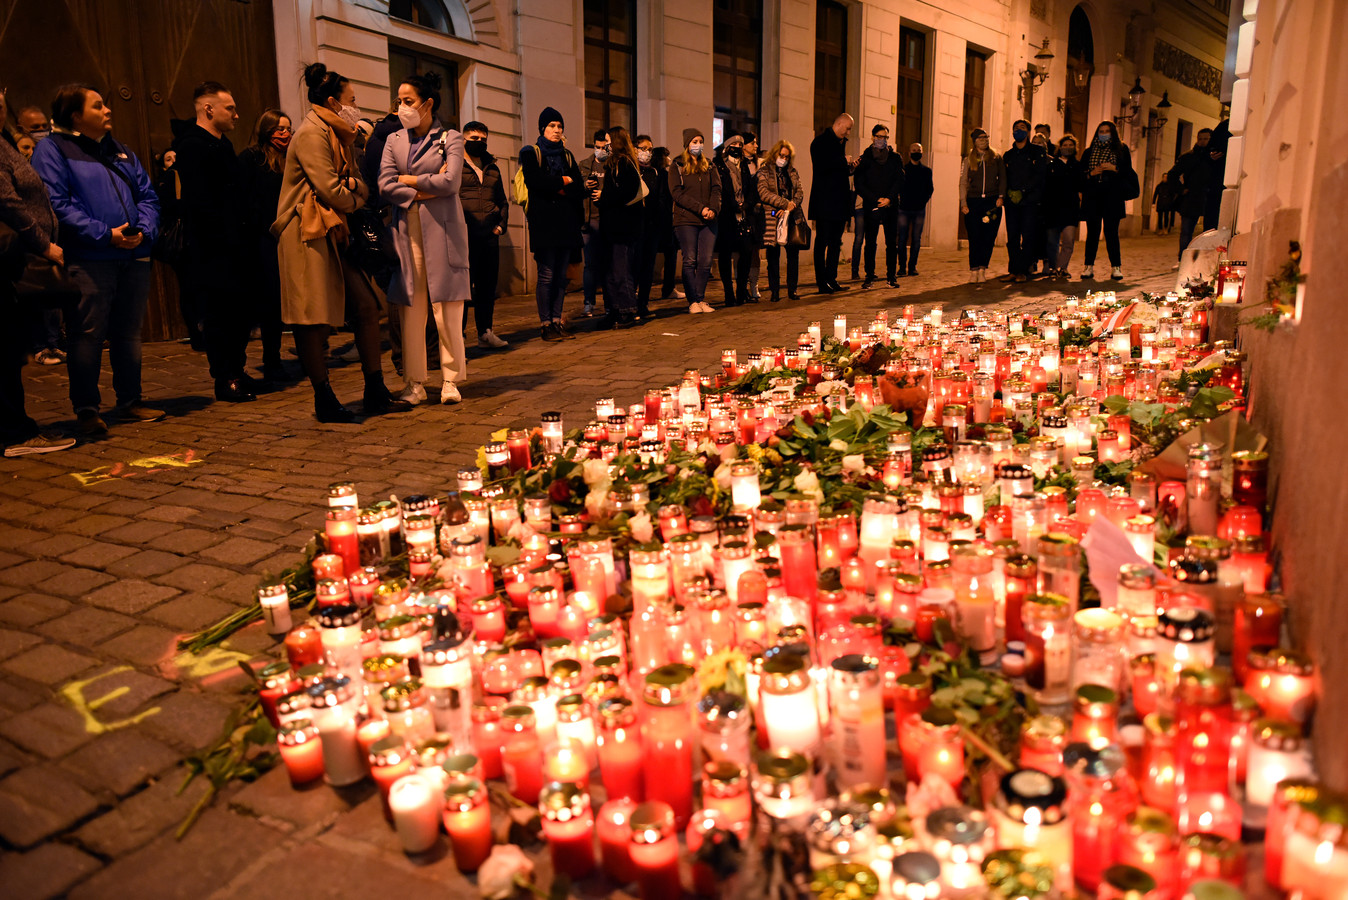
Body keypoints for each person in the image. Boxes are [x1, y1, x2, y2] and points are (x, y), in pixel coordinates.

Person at [274, 63, 408, 422]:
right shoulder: (312, 134)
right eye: (351, 100)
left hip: (335, 229)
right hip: (308, 232)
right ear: (333, 102)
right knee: (313, 319)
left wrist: (354, 190)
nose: (355, 107)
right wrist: (355, 191)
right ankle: (324, 398)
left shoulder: (338, 134)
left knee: (365, 307)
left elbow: (357, 183)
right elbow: (335, 189)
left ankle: (375, 389)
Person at [31, 84, 163, 436]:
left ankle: (130, 400)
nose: (108, 111)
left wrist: (144, 231)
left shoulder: (119, 150)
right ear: (76, 116)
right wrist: (106, 234)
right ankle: (87, 409)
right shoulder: (52, 149)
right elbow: (56, 204)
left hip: (134, 255)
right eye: (99, 106)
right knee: (87, 335)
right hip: (90, 257)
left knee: (129, 332)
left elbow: (148, 195)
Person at [379, 71, 471, 406]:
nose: (402, 107)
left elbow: (451, 183)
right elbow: (386, 185)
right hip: (407, 231)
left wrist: (411, 180)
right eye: (399, 101)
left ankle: (450, 379)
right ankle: (414, 382)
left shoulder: (451, 138)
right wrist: (422, 188)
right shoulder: (394, 140)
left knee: (447, 307)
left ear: (427, 103)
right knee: (411, 307)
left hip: (444, 232)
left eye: (408, 101)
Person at [0, 92, 76, 456]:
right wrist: (43, 243)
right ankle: (14, 433)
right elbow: (7, 200)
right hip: (7, 261)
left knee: (11, 348)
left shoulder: (5, 143)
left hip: (12, 260)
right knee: (6, 348)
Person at [173, 81, 256, 401]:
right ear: (209, 109)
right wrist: (225, 237)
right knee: (220, 315)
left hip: (235, 245)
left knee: (239, 314)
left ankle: (237, 368)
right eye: (230, 108)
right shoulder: (192, 145)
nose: (236, 114)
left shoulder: (221, 144)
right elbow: (201, 202)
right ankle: (225, 377)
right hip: (213, 248)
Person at [520, 107, 583, 342]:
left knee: (560, 277)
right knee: (546, 275)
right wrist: (563, 181)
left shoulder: (567, 156)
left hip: (566, 224)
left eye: (559, 126)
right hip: (544, 225)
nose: (556, 130)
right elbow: (535, 181)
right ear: (542, 129)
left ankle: (557, 321)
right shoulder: (530, 153)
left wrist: (559, 184)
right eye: (552, 126)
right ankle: (545, 324)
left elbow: (578, 187)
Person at [238, 109, 292, 381]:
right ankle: (244, 363)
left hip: (287, 236)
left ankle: (274, 357)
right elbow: (242, 198)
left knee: (280, 303)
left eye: (288, 128)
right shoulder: (251, 158)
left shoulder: (291, 159)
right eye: (279, 129)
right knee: (263, 301)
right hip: (260, 240)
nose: (285, 134)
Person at [459, 120, 509, 349]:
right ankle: (458, 336)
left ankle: (485, 332)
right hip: (464, 235)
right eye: (474, 138)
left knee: (487, 286)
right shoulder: (454, 164)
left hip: (489, 235)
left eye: (482, 139)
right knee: (462, 288)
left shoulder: (493, 166)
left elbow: (502, 200)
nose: (479, 142)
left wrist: (500, 226)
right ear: (464, 139)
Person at [595, 126, 643, 329]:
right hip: (612, 227)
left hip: (622, 227)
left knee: (621, 270)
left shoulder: (624, 163)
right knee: (611, 271)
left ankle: (627, 311)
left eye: (608, 141)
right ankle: (614, 310)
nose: (605, 145)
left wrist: (603, 197)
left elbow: (625, 192)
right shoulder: (614, 163)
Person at [669, 127, 720, 314]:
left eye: (700, 141)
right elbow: (676, 193)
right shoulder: (677, 165)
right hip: (686, 219)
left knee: (705, 260)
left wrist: (713, 209)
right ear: (687, 144)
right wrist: (701, 208)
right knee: (689, 259)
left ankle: (700, 298)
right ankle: (692, 301)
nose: (698, 145)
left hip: (708, 220)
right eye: (694, 142)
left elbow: (716, 189)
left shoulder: (710, 165)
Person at [1079, 120, 1134, 281]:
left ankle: (1116, 267)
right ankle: (1088, 266)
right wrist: (1092, 173)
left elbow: (1128, 172)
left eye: (1106, 131)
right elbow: (1081, 176)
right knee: (1092, 233)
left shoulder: (1121, 150)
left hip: (1112, 197)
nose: (1103, 134)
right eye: (1101, 131)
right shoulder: (1089, 152)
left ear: (1113, 133)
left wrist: (1114, 168)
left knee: (1111, 233)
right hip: (1093, 197)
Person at [852, 123, 903, 288]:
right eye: (880, 136)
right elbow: (859, 184)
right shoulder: (865, 158)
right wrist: (875, 199)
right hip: (871, 205)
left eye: (885, 137)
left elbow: (899, 180)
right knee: (870, 242)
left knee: (891, 243)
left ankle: (891, 276)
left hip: (890, 205)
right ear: (873, 137)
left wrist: (889, 198)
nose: (883, 140)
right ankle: (869, 276)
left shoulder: (895, 158)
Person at [809, 113, 856, 294]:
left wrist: (850, 167)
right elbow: (822, 166)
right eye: (848, 128)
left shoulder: (840, 143)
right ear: (838, 124)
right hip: (824, 202)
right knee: (822, 242)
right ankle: (821, 281)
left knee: (836, 243)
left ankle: (832, 278)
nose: (848, 133)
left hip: (839, 203)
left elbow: (838, 172)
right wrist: (842, 161)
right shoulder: (820, 142)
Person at [757, 138, 804, 303]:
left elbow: (799, 191)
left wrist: (792, 205)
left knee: (793, 256)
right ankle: (774, 291)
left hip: (792, 216)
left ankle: (792, 289)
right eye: (781, 155)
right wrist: (784, 204)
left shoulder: (792, 171)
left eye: (786, 156)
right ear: (775, 153)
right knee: (773, 256)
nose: (783, 159)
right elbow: (763, 193)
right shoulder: (764, 171)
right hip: (773, 216)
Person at [1001, 119, 1047, 283]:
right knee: (1012, 237)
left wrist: (1024, 191)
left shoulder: (1037, 152)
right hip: (1012, 202)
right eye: (1015, 128)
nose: (1018, 131)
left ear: (1028, 132)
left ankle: (1024, 271)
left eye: (1021, 128)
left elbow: (1040, 175)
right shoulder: (1008, 155)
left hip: (1030, 201)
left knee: (1028, 237)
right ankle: (1013, 270)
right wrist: (1008, 194)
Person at [958, 128, 1004, 283]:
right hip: (974, 202)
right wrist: (963, 202)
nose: (984, 140)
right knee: (975, 237)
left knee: (988, 237)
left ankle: (983, 268)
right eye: (981, 138)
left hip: (991, 202)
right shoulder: (968, 159)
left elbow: (1003, 178)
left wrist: (1001, 196)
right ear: (975, 141)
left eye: (986, 137)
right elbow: (963, 182)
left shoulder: (996, 157)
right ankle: (974, 269)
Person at [713, 132, 752, 307]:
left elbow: (750, 188)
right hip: (726, 216)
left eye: (740, 145)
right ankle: (729, 292)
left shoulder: (744, 166)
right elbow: (719, 189)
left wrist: (746, 204)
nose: (737, 147)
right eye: (734, 144)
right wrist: (732, 205)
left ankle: (741, 290)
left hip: (743, 215)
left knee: (746, 252)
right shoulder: (719, 166)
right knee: (725, 253)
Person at [1042, 133, 1084, 280]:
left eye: (1070, 145)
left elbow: (1081, 186)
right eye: (1065, 145)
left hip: (1071, 208)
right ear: (1060, 147)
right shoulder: (1052, 165)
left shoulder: (1078, 166)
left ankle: (1062, 267)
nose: (1067, 148)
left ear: (1075, 148)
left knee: (1068, 239)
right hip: (1053, 209)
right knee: (1052, 241)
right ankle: (1054, 267)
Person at [578, 129, 610, 317]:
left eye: (603, 147)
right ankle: (589, 303)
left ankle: (608, 302)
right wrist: (585, 186)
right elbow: (576, 189)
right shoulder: (584, 165)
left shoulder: (613, 166)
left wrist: (604, 194)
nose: (600, 150)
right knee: (590, 264)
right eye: (597, 147)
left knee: (607, 264)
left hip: (608, 220)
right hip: (589, 221)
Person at [1173, 128, 1216, 259]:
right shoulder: (1188, 157)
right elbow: (1172, 174)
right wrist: (1181, 189)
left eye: (1206, 139)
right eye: (1200, 139)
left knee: (1209, 231)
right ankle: (1183, 258)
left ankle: (1206, 259)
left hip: (1209, 197)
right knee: (1186, 231)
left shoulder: (1214, 157)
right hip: (1191, 198)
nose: (1202, 142)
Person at [633, 134, 662, 319]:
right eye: (643, 148)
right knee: (633, 266)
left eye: (650, 149)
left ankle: (643, 303)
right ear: (635, 149)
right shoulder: (631, 170)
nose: (647, 153)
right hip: (635, 225)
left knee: (647, 267)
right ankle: (630, 303)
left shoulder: (654, 172)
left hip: (651, 225)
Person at [896, 142, 932, 277]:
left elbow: (930, 189)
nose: (916, 152)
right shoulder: (903, 170)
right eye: (914, 150)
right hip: (904, 209)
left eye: (919, 150)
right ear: (909, 153)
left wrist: (922, 202)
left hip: (919, 210)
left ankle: (912, 267)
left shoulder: (926, 171)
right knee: (902, 239)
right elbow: (898, 187)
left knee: (916, 239)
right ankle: (901, 267)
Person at [652, 146, 683, 302]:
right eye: (667, 156)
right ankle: (668, 288)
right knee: (670, 254)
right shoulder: (664, 175)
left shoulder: (653, 173)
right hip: (664, 221)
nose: (669, 159)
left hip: (657, 221)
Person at [741, 133, 763, 301]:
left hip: (757, 211)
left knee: (756, 251)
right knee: (742, 251)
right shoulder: (738, 164)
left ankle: (754, 284)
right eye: (752, 143)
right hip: (743, 211)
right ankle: (741, 286)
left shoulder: (759, 164)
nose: (756, 146)